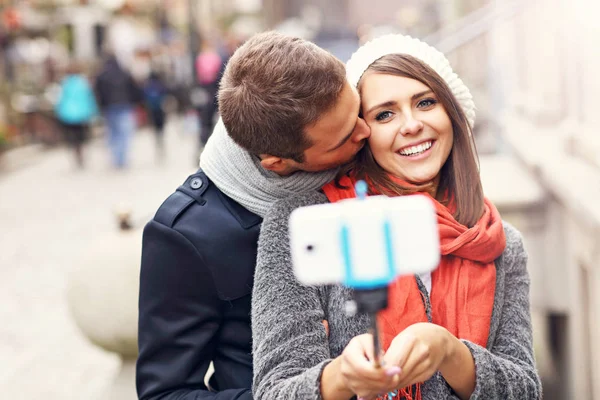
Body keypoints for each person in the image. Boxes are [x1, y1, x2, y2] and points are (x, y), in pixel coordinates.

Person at [251, 34, 542, 400]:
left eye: (425, 102)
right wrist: (342, 376)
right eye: (384, 114)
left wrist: (451, 353)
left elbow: (525, 389)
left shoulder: (499, 242)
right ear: (363, 133)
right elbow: (275, 389)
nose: (410, 125)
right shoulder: (308, 224)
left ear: (451, 111)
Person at [136, 31, 370, 400]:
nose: (367, 130)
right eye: (344, 138)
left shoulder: (375, 158)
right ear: (278, 164)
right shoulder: (188, 234)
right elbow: (166, 393)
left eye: (359, 110)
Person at [94, 55, 143, 169]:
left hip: (109, 108)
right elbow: (134, 90)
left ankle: (116, 158)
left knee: (113, 133)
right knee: (124, 133)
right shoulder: (124, 74)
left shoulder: (102, 76)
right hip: (124, 106)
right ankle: (122, 158)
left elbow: (98, 92)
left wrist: (101, 106)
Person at [54, 63, 98, 168]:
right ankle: (80, 153)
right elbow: (89, 98)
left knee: (72, 136)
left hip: (68, 114)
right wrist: (94, 111)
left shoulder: (65, 83)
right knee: (81, 135)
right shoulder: (82, 83)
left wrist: (59, 111)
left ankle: (76, 152)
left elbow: (60, 100)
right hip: (82, 113)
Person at [143, 71, 168, 160]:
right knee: (161, 126)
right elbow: (166, 93)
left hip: (151, 110)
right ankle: (160, 138)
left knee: (155, 127)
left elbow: (143, 96)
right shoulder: (160, 84)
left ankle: (157, 138)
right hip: (160, 109)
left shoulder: (147, 86)